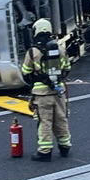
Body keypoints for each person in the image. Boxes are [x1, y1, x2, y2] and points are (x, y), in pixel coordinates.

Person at [20, 17, 72, 159]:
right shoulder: (60, 48)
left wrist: (36, 81)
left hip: (42, 94)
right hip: (59, 93)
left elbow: (25, 72)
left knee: (45, 122)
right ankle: (65, 147)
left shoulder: (32, 52)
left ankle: (45, 151)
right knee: (61, 119)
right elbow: (67, 68)